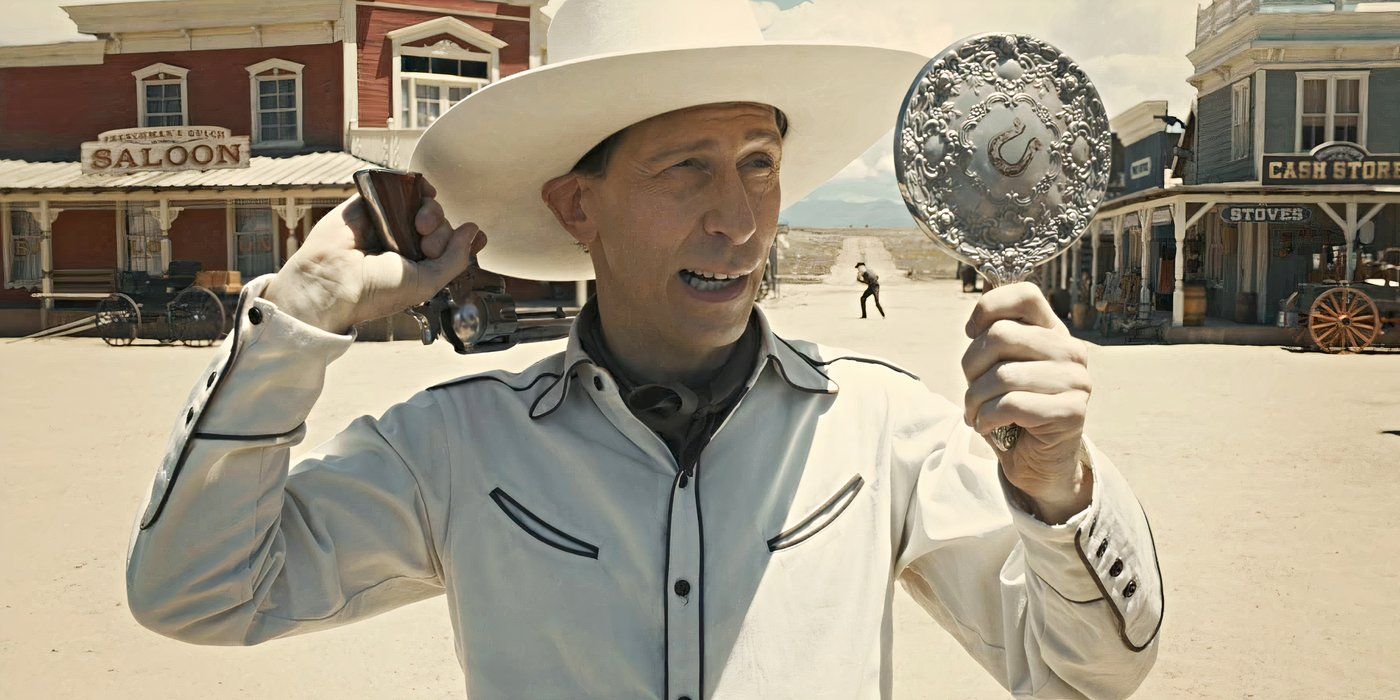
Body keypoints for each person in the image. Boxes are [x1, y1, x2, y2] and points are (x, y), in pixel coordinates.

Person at [124, 0, 1163, 697]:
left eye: (758, 164)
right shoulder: (460, 446)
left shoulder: (880, 429)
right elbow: (200, 589)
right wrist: (293, 323)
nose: (739, 220)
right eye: (684, 169)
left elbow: (1086, 671)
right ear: (579, 204)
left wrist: (1058, 486)